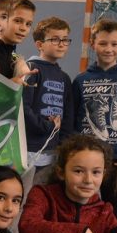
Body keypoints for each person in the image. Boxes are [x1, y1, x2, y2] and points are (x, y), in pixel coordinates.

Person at [72, 18, 117, 200]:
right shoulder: (81, 80)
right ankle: (96, 106)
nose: (108, 49)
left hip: (116, 158)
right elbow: (71, 118)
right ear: (92, 44)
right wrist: (72, 150)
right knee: (80, 203)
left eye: (114, 44)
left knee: (113, 209)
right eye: (103, 43)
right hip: (84, 155)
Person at [23, 16, 76, 181]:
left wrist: (64, 146)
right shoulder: (31, 69)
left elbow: (67, 117)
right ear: (39, 44)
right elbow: (23, 108)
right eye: (55, 39)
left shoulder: (64, 77)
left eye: (65, 40)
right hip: (28, 150)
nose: (61, 44)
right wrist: (47, 126)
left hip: (52, 152)